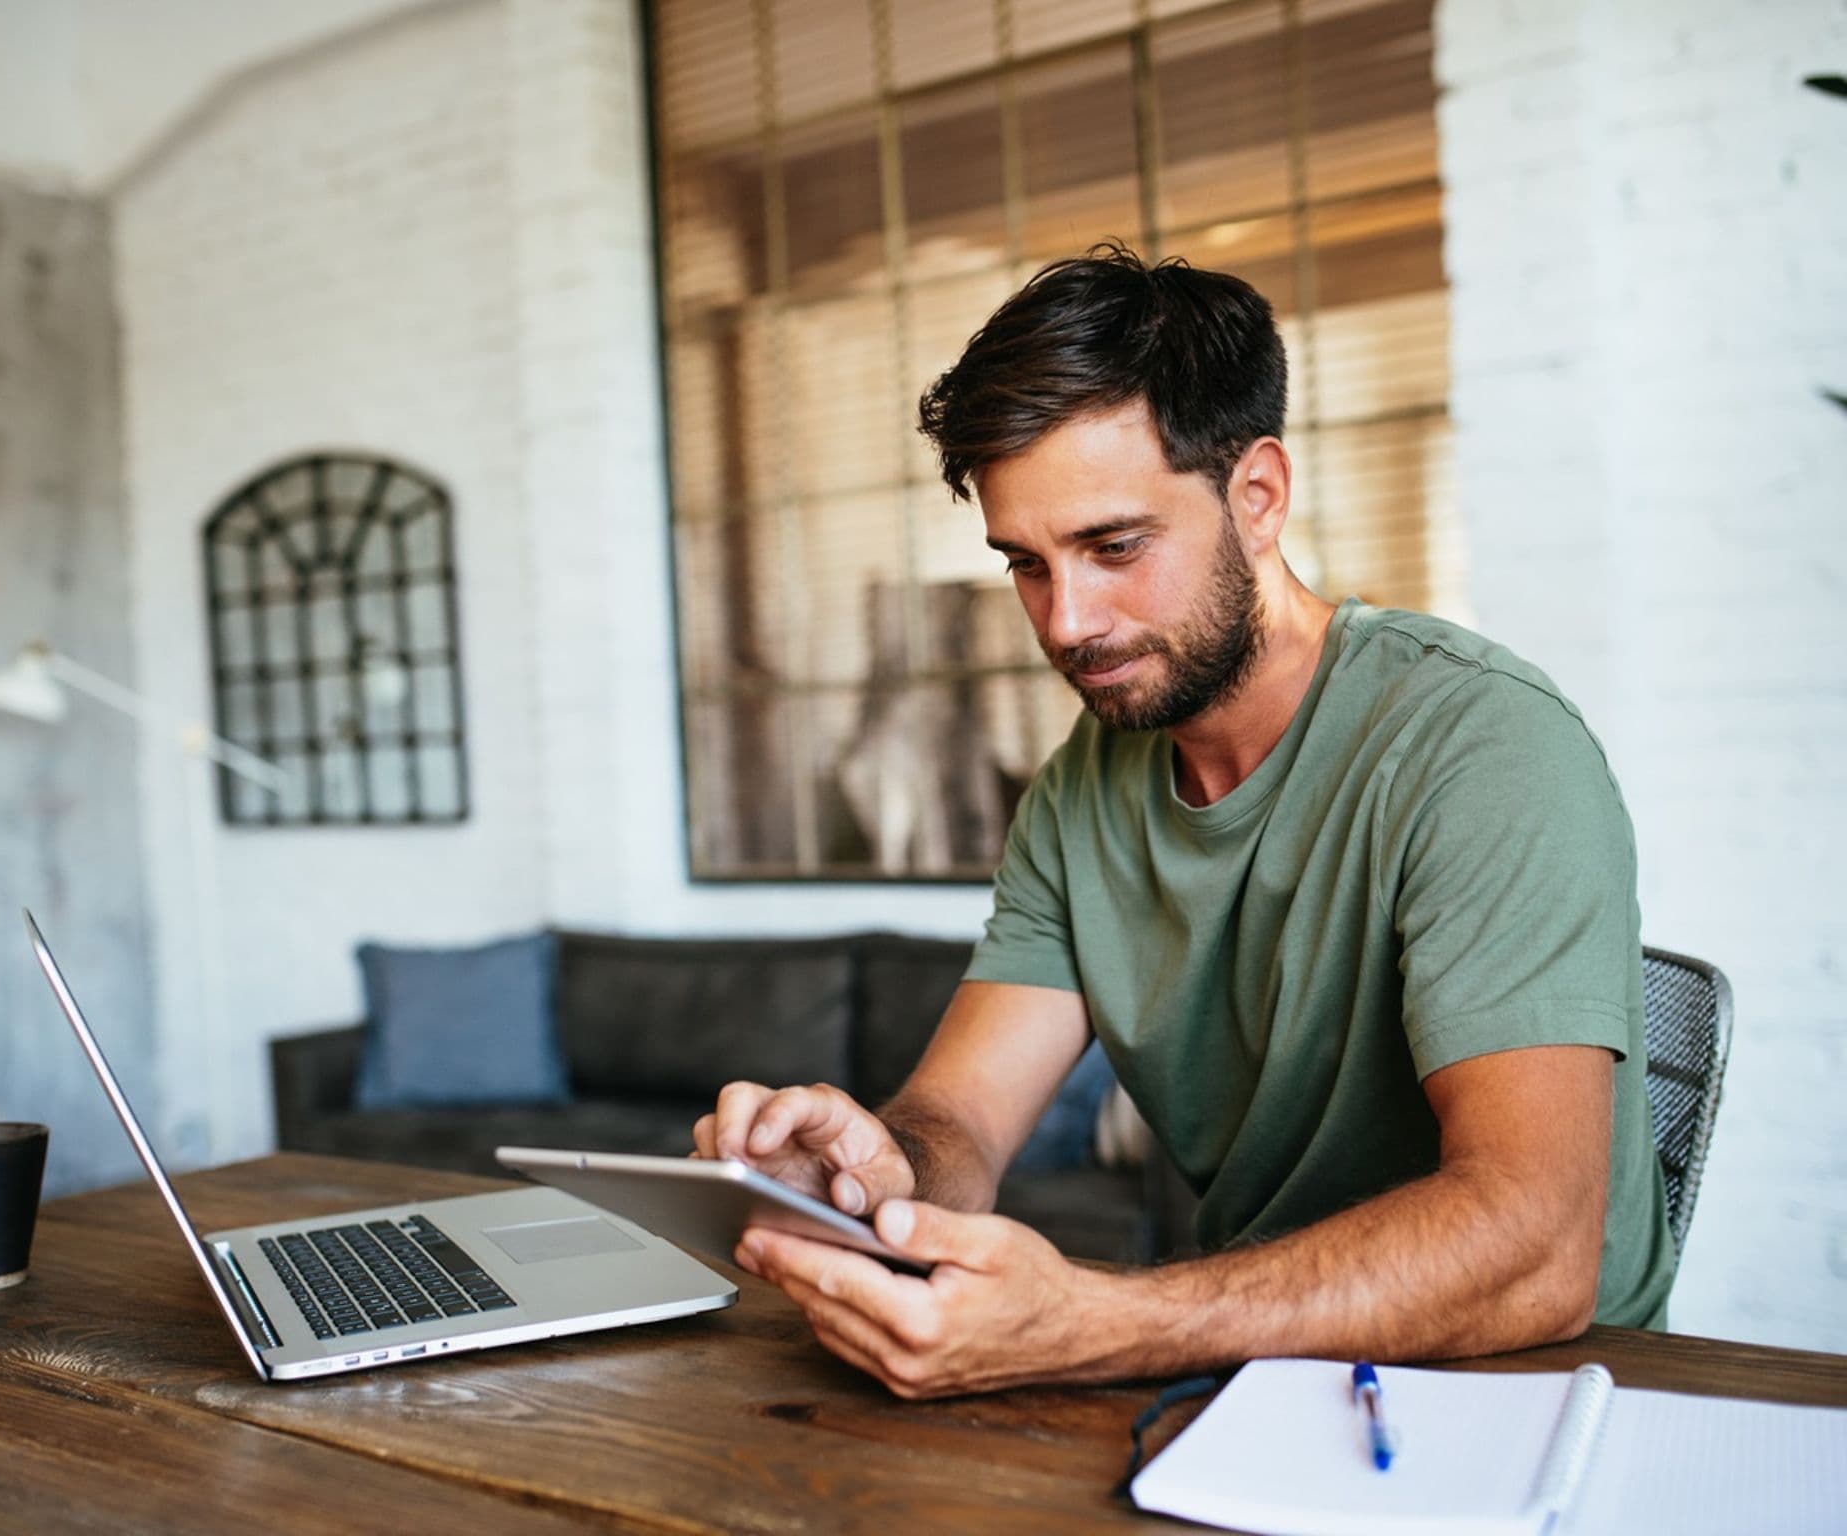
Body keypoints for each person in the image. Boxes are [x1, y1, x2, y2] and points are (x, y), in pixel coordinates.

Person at [693, 244, 1676, 1398]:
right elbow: (960, 1119)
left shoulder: (1480, 746)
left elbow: (1535, 1252)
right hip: (1252, 1370)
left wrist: (1096, 1321)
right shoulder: (1083, 786)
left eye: (1114, 548)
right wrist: (866, 1175)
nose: (1066, 623)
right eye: (1024, 564)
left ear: (1255, 495)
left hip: (1533, 1390)